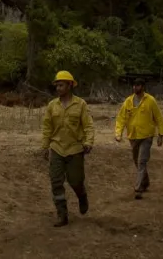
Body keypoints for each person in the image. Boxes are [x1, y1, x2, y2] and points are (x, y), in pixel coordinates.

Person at [41, 70, 94, 227]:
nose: (58, 88)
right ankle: (62, 214)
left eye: (61, 85)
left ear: (70, 85)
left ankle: (82, 195)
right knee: (56, 182)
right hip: (57, 148)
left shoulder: (81, 105)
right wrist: (45, 146)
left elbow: (88, 126)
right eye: (57, 85)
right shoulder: (52, 106)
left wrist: (89, 142)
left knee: (75, 180)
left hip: (75, 149)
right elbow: (47, 127)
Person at [114, 77, 163, 199]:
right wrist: (118, 133)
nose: (134, 87)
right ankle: (145, 182)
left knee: (142, 161)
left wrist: (161, 134)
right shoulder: (128, 101)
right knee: (137, 161)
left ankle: (138, 188)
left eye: (137, 85)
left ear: (142, 87)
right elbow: (121, 118)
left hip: (146, 136)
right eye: (134, 85)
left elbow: (158, 118)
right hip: (133, 136)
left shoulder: (150, 100)